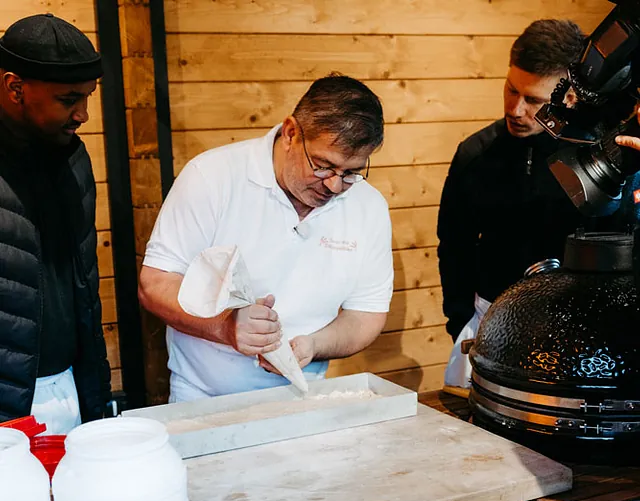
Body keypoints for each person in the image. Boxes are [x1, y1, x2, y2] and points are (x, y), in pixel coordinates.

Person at [139, 73, 393, 402]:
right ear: (290, 133)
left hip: (306, 396)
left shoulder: (368, 206)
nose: (334, 185)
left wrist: (315, 345)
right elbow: (155, 283)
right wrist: (225, 327)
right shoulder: (213, 177)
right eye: (323, 166)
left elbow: (365, 314)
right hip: (204, 397)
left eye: (351, 172)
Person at [437, 19, 626, 389]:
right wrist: (458, 320)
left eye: (534, 100)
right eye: (511, 89)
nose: (516, 109)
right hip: (488, 325)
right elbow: (453, 245)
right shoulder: (476, 153)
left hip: (583, 334)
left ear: (568, 94)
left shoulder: (602, 160)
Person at [0, 14, 111, 432]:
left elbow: (81, 285)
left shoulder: (73, 158)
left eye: (88, 97)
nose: (82, 114)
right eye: (68, 99)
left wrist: (94, 392)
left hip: (68, 389)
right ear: (15, 87)